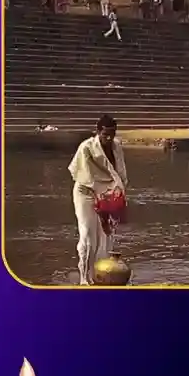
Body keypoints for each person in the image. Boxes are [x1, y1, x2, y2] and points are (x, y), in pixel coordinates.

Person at [67, 115, 128, 285]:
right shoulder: (86, 147)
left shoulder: (116, 146)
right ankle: (84, 279)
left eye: (112, 134)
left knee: (105, 239)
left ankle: (100, 275)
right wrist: (103, 216)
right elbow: (89, 180)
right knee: (87, 236)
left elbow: (120, 174)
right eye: (105, 134)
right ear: (98, 132)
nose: (109, 138)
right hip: (86, 192)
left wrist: (119, 197)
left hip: (107, 193)